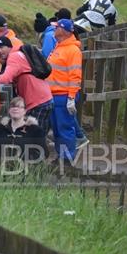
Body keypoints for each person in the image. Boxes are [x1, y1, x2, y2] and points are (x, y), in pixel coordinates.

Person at [0, 36, 54, 135]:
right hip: (42, 99)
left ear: (10, 47)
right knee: (35, 135)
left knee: (34, 137)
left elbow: (6, 78)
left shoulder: (14, 57)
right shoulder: (19, 54)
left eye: (2, 47)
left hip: (37, 102)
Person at [46, 18, 83, 163]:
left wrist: (71, 98)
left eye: (57, 27)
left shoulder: (72, 50)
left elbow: (75, 76)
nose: (54, 29)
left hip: (63, 95)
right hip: (54, 95)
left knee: (65, 128)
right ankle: (61, 156)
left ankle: (67, 159)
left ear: (64, 31)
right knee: (57, 128)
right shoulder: (59, 46)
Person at [0, 96, 48, 163]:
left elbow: (44, 153)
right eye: (13, 106)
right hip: (2, 169)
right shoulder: (0, 129)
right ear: (9, 110)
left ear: (25, 111)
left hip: (26, 170)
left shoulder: (35, 130)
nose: (15, 109)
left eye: (19, 107)